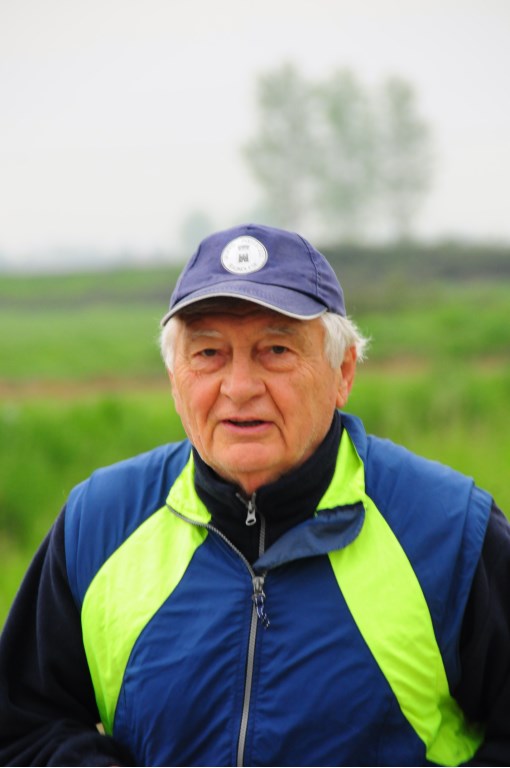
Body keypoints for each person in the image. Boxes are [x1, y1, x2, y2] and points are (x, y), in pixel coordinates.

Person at [0, 223, 509, 767]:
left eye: (276, 350)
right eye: (209, 353)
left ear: (342, 373)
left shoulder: (450, 530)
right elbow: (24, 728)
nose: (240, 387)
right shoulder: (99, 524)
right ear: (175, 378)